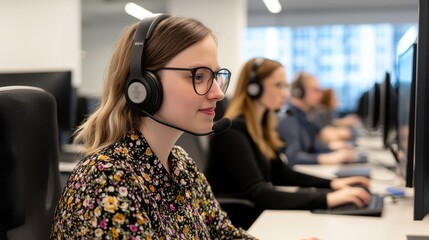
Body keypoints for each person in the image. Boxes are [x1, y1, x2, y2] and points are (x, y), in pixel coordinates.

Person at [50, 14, 256, 239]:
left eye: (216, 76)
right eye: (198, 76)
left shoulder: (179, 163)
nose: (217, 93)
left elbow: (225, 235)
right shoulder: (105, 179)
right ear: (144, 87)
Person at [205, 57, 371, 215]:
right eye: (278, 85)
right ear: (254, 88)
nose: (285, 94)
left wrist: (333, 184)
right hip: (238, 221)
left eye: (285, 86)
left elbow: (282, 173)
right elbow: (260, 193)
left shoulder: (261, 129)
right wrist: (328, 198)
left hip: (257, 215)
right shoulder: (232, 132)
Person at [278, 71, 358, 166]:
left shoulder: (305, 115)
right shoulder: (289, 117)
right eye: (315, 90)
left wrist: (330, 147)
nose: (320, 95)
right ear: (299, 92)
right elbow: (292, 157)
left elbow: (310, 146)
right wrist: (329, 158)